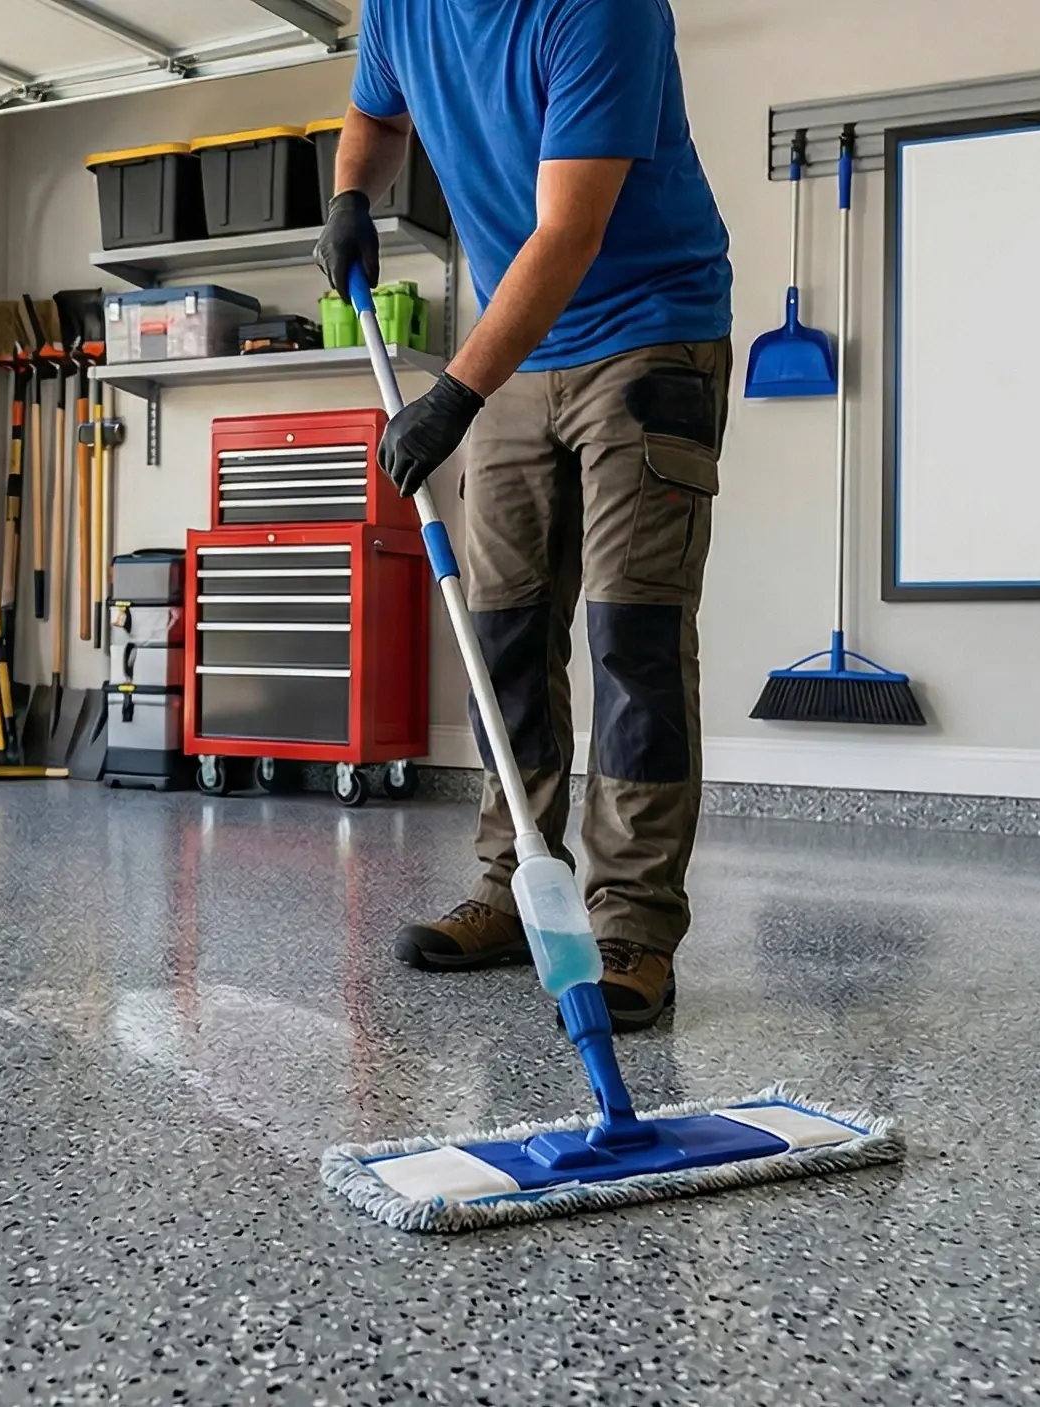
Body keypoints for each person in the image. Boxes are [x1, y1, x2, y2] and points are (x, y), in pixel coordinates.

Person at [316, 0, 732, 1032]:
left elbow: (569, 228)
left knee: (631, 635)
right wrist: (350, 197)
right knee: (500, 634)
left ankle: (632, 925)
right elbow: (376, 121)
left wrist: (452, 391)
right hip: (516, 347)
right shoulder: (399, 9)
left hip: (649, 331)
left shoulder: (599, 8)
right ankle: (516, 891)